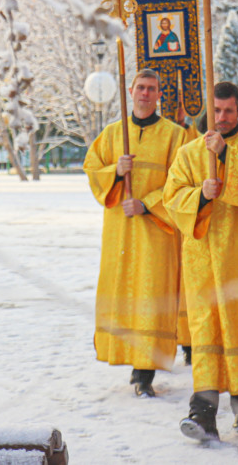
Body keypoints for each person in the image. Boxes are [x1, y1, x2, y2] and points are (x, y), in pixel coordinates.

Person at [163, 81, 238, 441]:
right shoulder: (188, 153)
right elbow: (172, 199)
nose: (221, 117)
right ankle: (202, 416)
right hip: (203, 261)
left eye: (228, 111)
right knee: (207, 335)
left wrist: (226, 158)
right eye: (216, 111)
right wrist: (200, 194)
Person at [82, 69, 189, 398]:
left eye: (151, 89)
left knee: (152, 298)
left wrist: (146, 204)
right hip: (121, 234)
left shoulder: (174, 136)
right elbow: (92, 169)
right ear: (130, 90)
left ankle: (144, 373)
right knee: (126, 296)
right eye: (140, 87)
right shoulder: (113, 134)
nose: (145, 93)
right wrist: (115, 170)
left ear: (159, 94)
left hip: (156, 232)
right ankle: (131, 360)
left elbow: (182, 183)